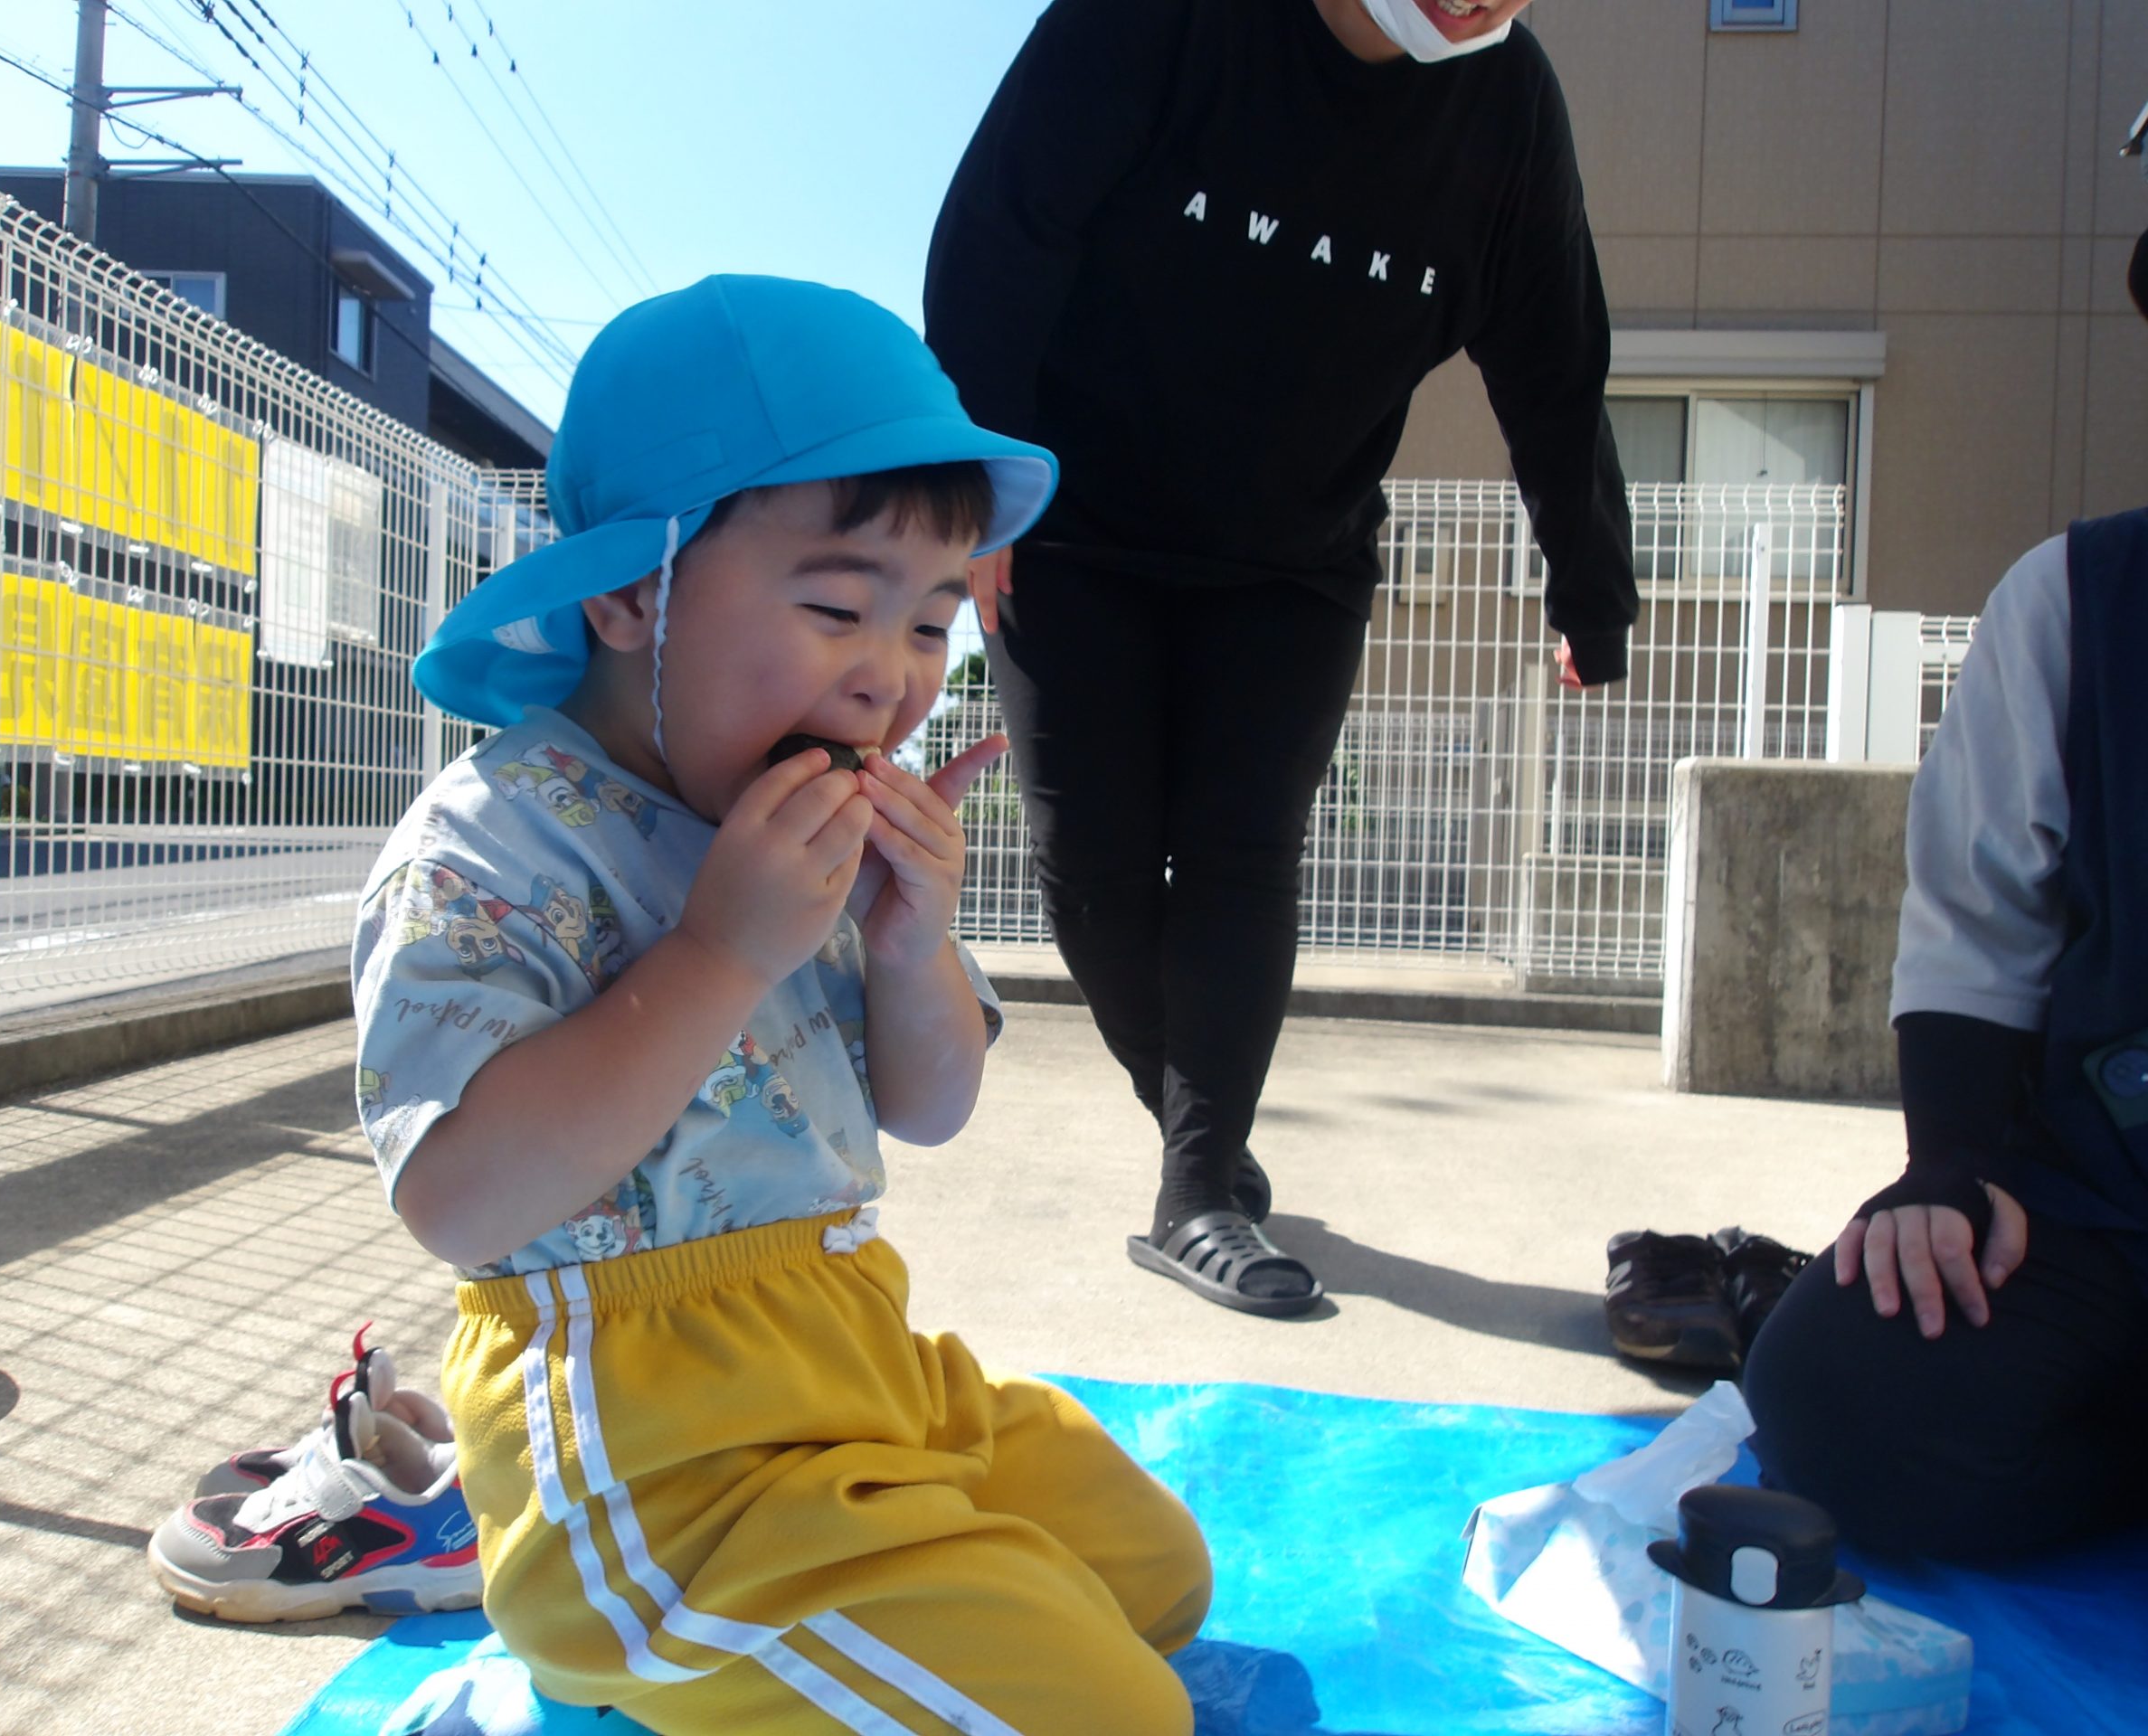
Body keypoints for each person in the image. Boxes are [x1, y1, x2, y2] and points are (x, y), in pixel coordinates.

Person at [352, 277, 1212, 1732]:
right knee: (1112, 1716)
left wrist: (911, 944)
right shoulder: (495, 840)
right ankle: (633, 1652)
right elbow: (458, 1203)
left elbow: (930, 1110)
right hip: (653, 1457)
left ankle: (884, 1584)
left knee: (1158, 1575)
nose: (890, 679)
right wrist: (720, 955)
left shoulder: (811, 824)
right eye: (835, 607)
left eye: (935, 624)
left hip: (855, 1370)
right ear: (635, 594)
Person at [923, 0, 1638, 1316]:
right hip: (1074, 532)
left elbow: (1556, 357)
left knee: (1246, 853)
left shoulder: (1508, 109)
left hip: (1296, 559)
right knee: (1089, 869)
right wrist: (980, 489)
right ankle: (1202, 1126)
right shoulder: (1169, 23)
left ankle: (1195, 1189)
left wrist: (1591, 591)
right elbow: (1000, 232)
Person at [1742, 216, 2148, 1561]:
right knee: (1843, 1388)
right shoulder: (2079, 601)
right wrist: (1952, 1170)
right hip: (2109, 1197)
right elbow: (1980, 932)